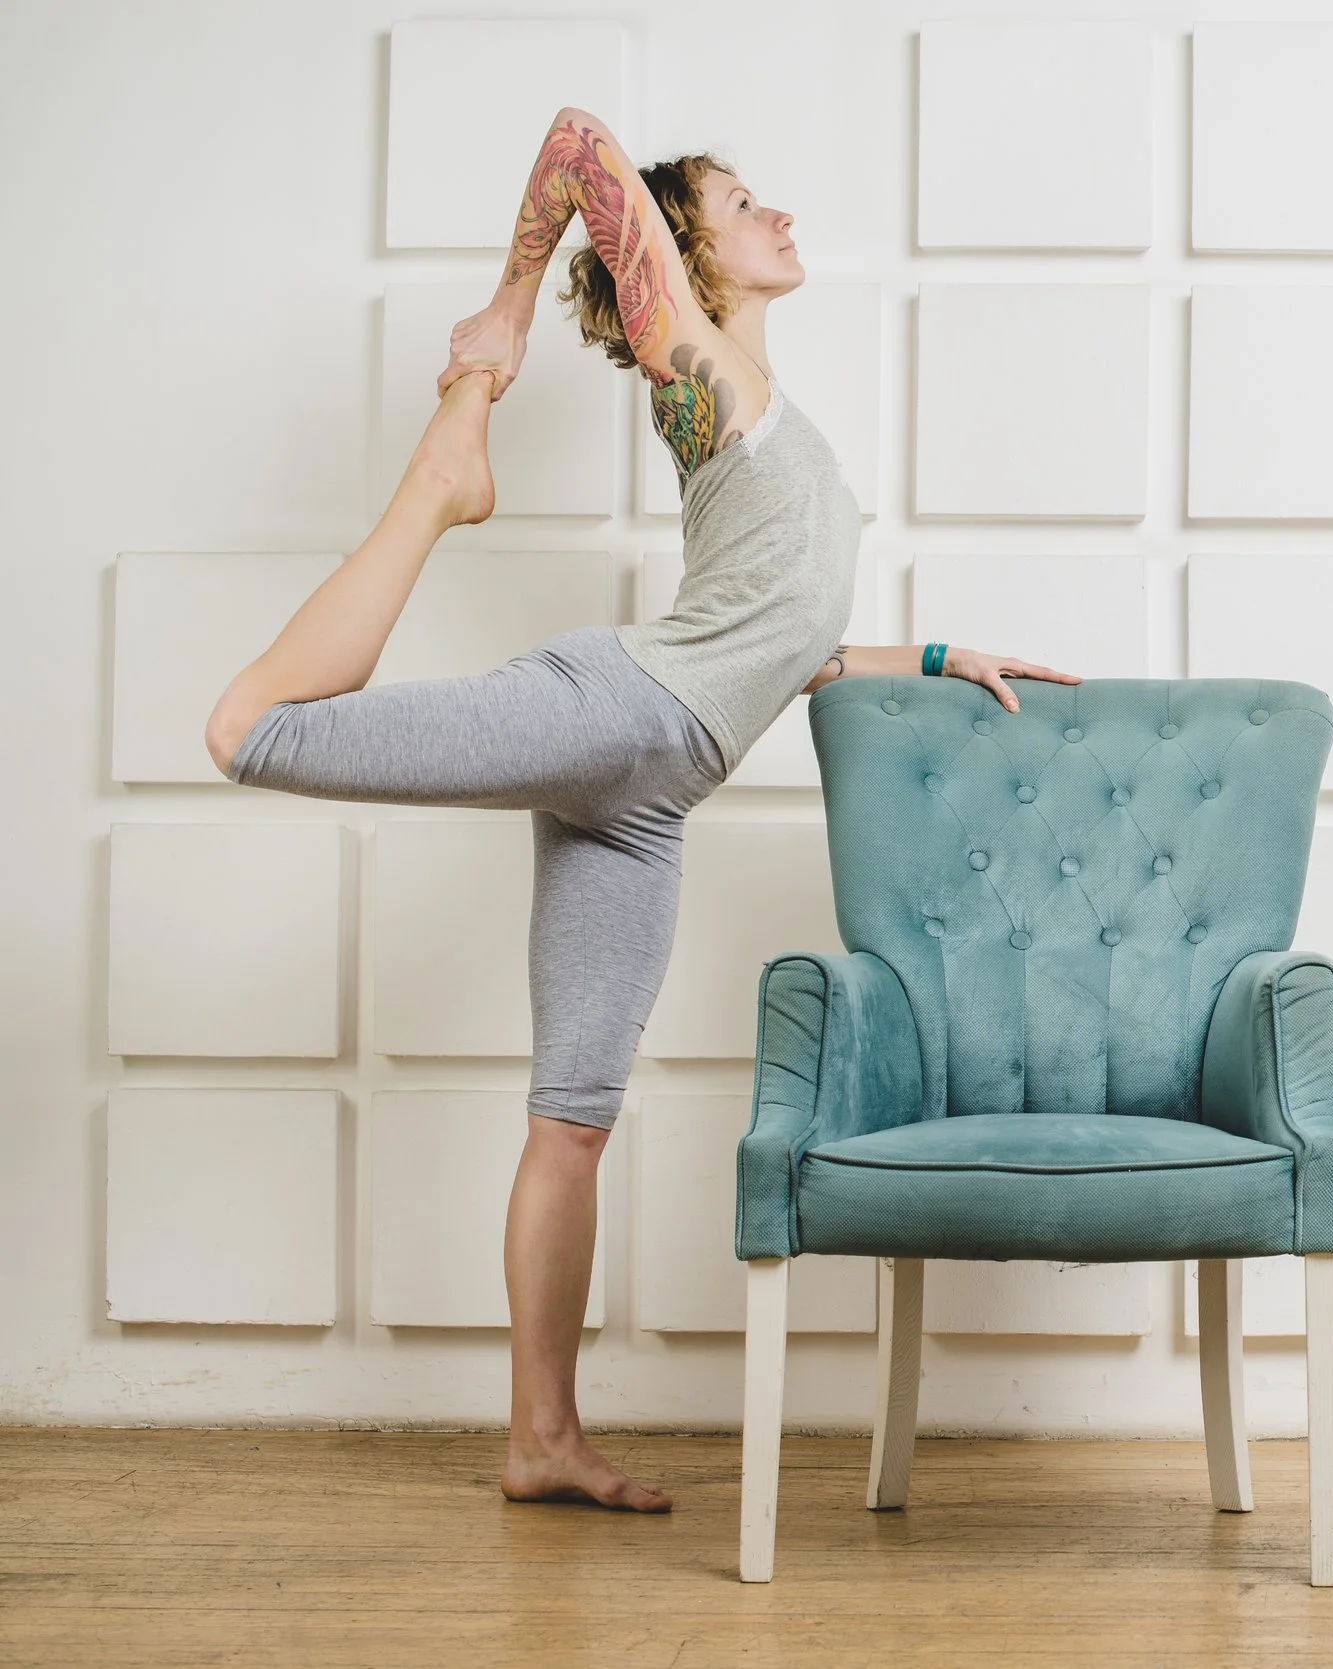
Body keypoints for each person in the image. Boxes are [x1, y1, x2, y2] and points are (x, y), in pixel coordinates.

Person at [203, 107, 1078, 1512]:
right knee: (253, 733)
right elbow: (575, 141)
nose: (776, 215)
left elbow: (778, 645)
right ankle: (437, 486)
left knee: (575, 1115)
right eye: (741, 205)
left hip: (647, 797)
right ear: (685, 262)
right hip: (615, 711)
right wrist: (505, 316)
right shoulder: (701, 363)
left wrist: (930, 657)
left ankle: (541, 1438)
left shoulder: (755, 416)